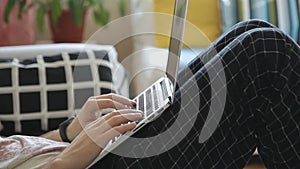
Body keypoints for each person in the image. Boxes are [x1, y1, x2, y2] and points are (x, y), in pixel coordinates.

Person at [1, 19, 300, 169]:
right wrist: (67, 161)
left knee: (251, 29)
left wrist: (68, 132)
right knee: (263, 51)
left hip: (80, 154)